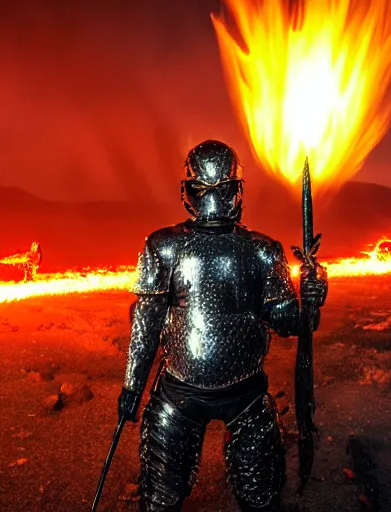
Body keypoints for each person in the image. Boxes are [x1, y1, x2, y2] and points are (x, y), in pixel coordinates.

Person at [118, 140, 328, 511]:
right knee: (162, 500)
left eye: (220, 190)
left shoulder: (261, 251)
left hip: (239, 393)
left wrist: (310, 300)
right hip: (183, 393)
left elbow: (288, 320)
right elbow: (146, 321)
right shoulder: (170, 246)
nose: (214, 200)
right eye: (207, 191)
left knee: (258, 499)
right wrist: (132, 388)